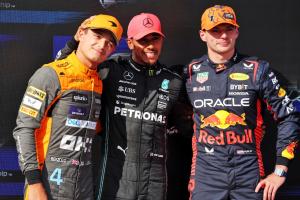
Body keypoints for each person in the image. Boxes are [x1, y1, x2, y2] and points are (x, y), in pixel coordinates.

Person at [57, 13, 188, 200]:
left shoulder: (173, 81)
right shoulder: (111, 69)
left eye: (155, 38)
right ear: (131, 42)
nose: (151, 45)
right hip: (115, 175)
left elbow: (187, 125)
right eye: (144, 40)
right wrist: (73, 42)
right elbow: (66, 68)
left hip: (155, 181)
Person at [185, 5, 300, 200]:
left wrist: (280, 170)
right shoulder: (190, 73)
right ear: (202, 34)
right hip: (206, 177)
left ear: (236, 32)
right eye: (216, 30)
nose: (223, 36)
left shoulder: (257, 70)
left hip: (249, 175)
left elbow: (288, 115)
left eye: (229, 29)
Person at [13, 14, 123, 200]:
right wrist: (34, 183)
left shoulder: (100, 80)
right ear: (81, 33)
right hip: (48, 183)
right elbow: (24, 129)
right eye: (97, 36)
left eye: (110, 42)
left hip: (84, 186)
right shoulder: (50, 74)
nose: (103, 45)